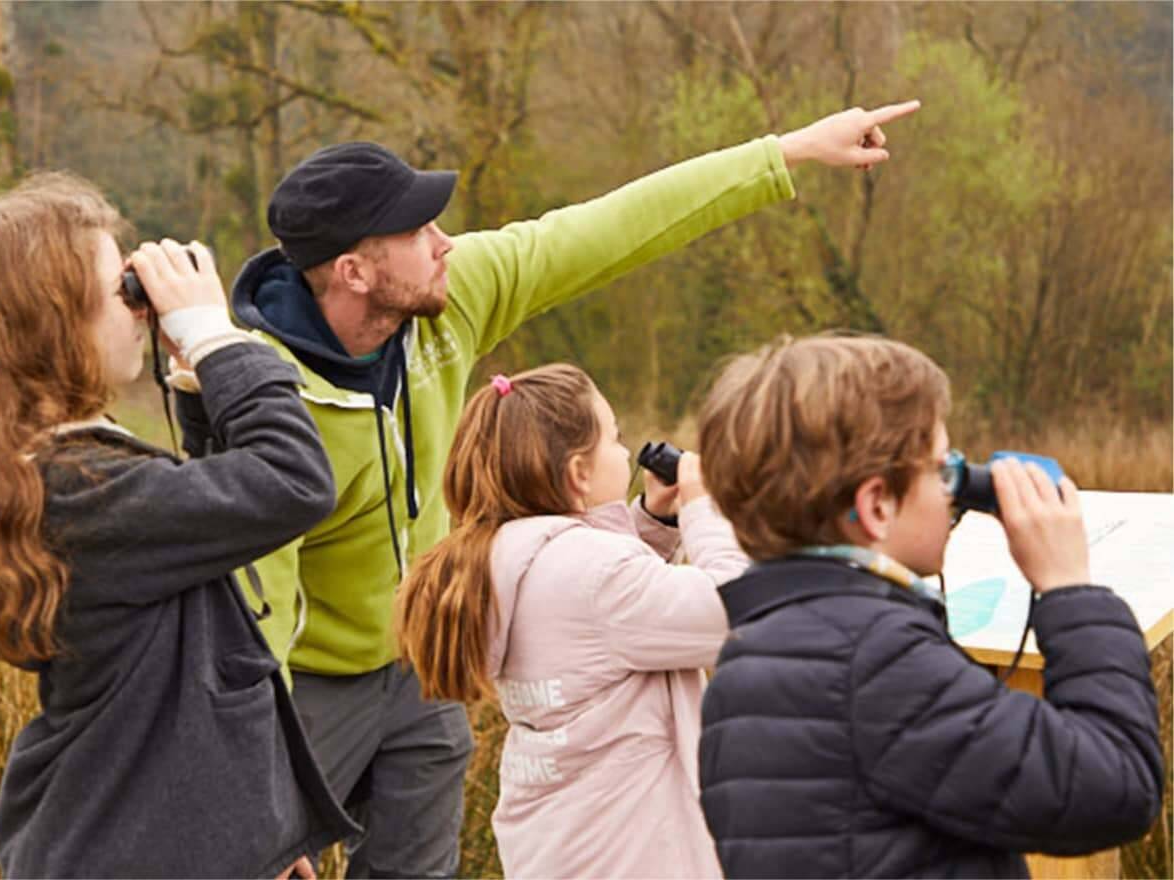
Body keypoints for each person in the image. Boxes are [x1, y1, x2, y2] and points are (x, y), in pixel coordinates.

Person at [230, 99, 921, 875]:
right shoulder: (264, 394)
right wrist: (265, 813)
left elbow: (610, 228)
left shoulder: (447, 298)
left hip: (420, 669)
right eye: (417, 233)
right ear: (354, 271)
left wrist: (787, 152)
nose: (445, 241)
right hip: (305, 685)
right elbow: (255, 600)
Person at [0, 173, 356, 878]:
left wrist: (254, 830)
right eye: (123, 291)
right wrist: (216, 340)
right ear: (52, 324)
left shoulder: (45, 476)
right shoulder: (76, 495)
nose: (142, 310)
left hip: (132, 836)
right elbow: (292, 481)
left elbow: (203, 537)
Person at [695, 334, 1164, 878]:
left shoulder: (748, 659)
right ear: (876, 506)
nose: (953, 494)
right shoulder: (875, 661)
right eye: (942, 472)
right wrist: (1070, 590)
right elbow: (1115, 787)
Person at [394, 363, 746, 878]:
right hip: (635, 856)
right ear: (579, 472)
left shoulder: (506, 558)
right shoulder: (594, 576)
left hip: (563, 848)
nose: (626, 453)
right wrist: (702, 511)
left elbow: (597, 624)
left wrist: (655, 523)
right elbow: (737, 609)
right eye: (613, 437)